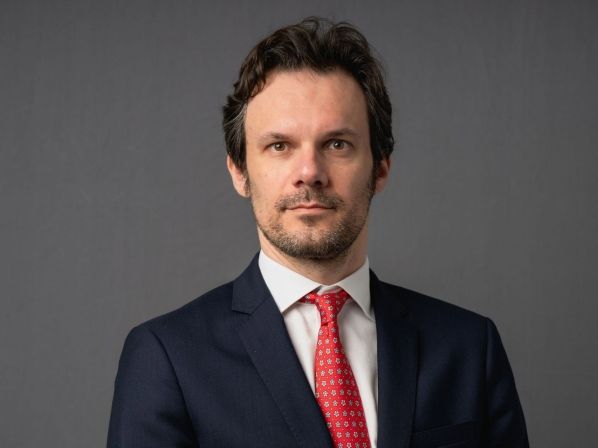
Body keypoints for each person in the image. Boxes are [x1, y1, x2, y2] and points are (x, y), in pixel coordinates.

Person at [107, 17, 529, 448]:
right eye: (279, 146)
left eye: (337, 144)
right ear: (239, 171)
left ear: (381, 167)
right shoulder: (167, 357)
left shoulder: (469, 348)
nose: (309, 172)